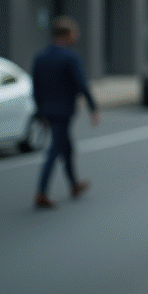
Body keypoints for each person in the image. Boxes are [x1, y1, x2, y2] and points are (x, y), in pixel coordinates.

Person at [31, 16, 99, 210]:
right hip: (64, 111)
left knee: (66, 148)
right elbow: (81, 84)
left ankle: (74, 184)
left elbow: (36, 87)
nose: (76, 36)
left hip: (47, 110)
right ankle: (41, 192)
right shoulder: (70, 57)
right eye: (74, 33)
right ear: (67, 35)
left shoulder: (40, 56)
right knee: (55, 149)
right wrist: (93, 108)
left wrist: (40, 111)